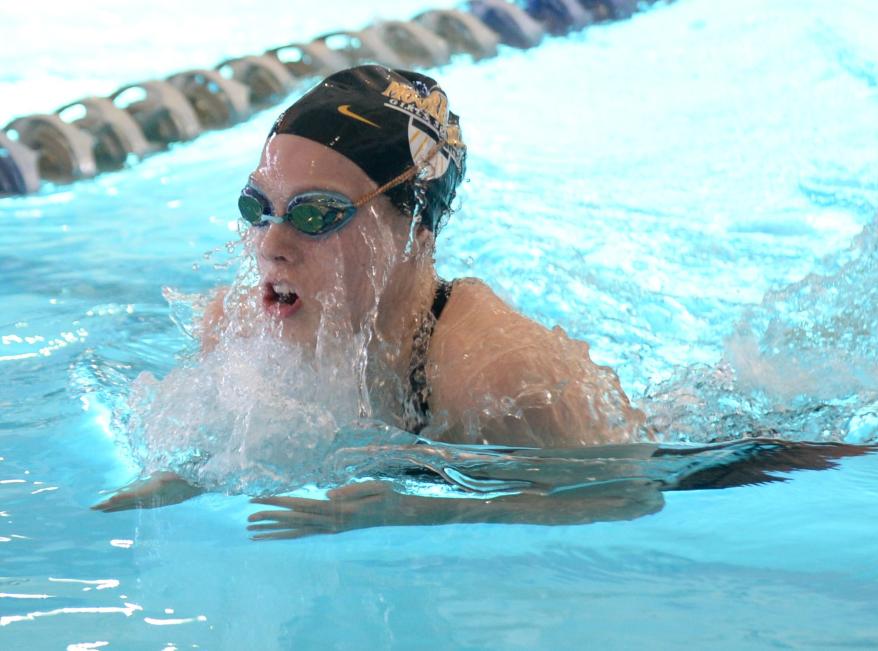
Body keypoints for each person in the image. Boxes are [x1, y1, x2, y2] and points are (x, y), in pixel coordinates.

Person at [93, 65, 651, 518]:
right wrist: (184, 476)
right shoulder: (234, 324)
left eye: (316, 214)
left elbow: (629, 491)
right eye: (256, 209)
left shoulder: (499, 375)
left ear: (415, 232)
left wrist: (430, 509)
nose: (270, 246)